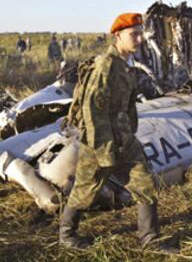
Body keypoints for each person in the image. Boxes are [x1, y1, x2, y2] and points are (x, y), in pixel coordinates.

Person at [59, 13, 167, 251]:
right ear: (118, 36)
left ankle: (150, 239)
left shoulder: (124, 64)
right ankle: (67, 235)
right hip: (100, 141)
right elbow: (92, 111)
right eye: (133, 35)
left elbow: (125, 105)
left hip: (123, 139)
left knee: (145, 182)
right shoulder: (106, 66)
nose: (139, 39)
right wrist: (104, 150)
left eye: (141, 33)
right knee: (86, 189)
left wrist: (129, 133)